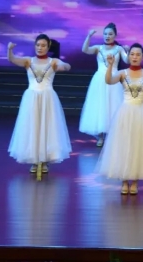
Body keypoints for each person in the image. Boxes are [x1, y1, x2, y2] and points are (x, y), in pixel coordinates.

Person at [95, 43, 143, 195]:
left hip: (142, 114)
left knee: (139, 146)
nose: (135, 57)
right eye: (132, 54)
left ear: (142, 57)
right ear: (128, 56)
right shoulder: (122, 73)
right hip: (125, 113)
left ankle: (135, 181)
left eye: (138, 54)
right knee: (124, 145)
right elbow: (109, 81)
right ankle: (124, 181)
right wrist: (110, 66)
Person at [7, 35, 72, 174]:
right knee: (32, 127)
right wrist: (10, 50)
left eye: (43, 45)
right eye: (38, 45)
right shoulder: (28, 61)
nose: (40, 48)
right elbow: (12, 59)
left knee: (47, 127)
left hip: (48, 98)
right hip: (31, 98)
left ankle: (44, 160)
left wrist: (63, 67)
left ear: (48, 47)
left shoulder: (53, 61)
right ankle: (34, 160)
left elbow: (67, 66)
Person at [79, 24, 129, 147]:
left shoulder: (119, 49)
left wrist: (127, 51)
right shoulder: (98, 48)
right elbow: (85, 50)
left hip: (113, 79)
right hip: (100, 80)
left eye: (110, 34)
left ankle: (112, 135)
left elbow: (127, 60)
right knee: (100, 106)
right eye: (105, 34)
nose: (107, 36)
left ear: (115, 35)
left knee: (113, 106)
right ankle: (100, 137)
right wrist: (89, 36)